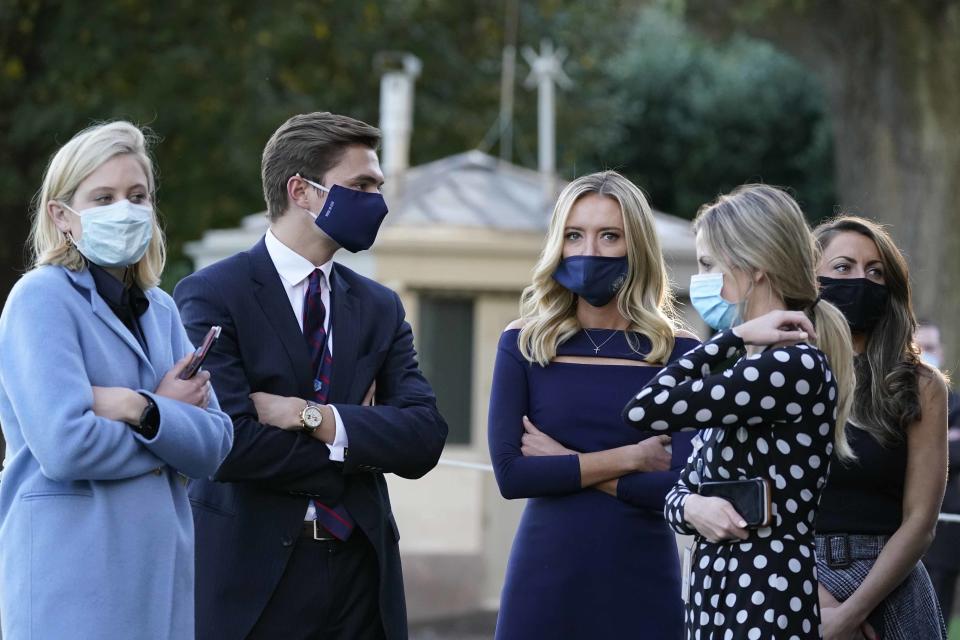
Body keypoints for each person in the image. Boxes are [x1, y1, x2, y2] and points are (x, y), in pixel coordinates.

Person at [174, 111, 448, 640]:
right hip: (250, 580)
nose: (378, 201)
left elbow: (424, 438)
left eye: (378, 186)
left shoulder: (379, 307)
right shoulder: (213, 293)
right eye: (361, 185)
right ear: (302, 190)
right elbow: (229, 447)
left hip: (361, 577)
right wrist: (359, 444)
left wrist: (313, 418)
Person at [0, 121, 234, 639]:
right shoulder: (40, 299)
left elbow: (216, 444)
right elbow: (65, 446)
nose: (123, 210)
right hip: (74, 581)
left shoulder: (161, 309)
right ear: (62, 215)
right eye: (102, 197)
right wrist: (169, 420)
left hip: (159, 580)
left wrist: (140, 408)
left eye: (137, 195)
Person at [623, 184, 856, 639]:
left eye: (709, 264)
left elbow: (643, 410)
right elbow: (681, 489)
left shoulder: (790, 365)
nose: (701, 278)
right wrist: (693, 506)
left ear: (755, 268)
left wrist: (729, 338)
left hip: (762, 598)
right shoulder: (751, 368)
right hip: (723, 591)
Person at [488, 170, 700, 639]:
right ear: (557, 245)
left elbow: (680, 488)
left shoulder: (679, 353)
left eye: (609, 236)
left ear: (637, 247)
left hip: (642, 570)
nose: (589, 252)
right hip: (546, 571)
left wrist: (564, 462)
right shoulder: (523, 343)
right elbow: (512, 475)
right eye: (574, 236)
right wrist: (632, 458)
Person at [813, 217, 949, 639]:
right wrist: (820, 602)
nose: (861, 280)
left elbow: (920, 521)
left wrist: (851, 613)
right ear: (809, 277)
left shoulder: (921, 384)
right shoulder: (783, 373)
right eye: (843, 267)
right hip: (797, 576)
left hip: (893, 585)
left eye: (875, 271)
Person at [918, 320, 960, 622]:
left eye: (929, 348)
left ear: (941, 352)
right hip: (918, 533)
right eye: (916, 349)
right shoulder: (891, 408)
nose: (924, 355)